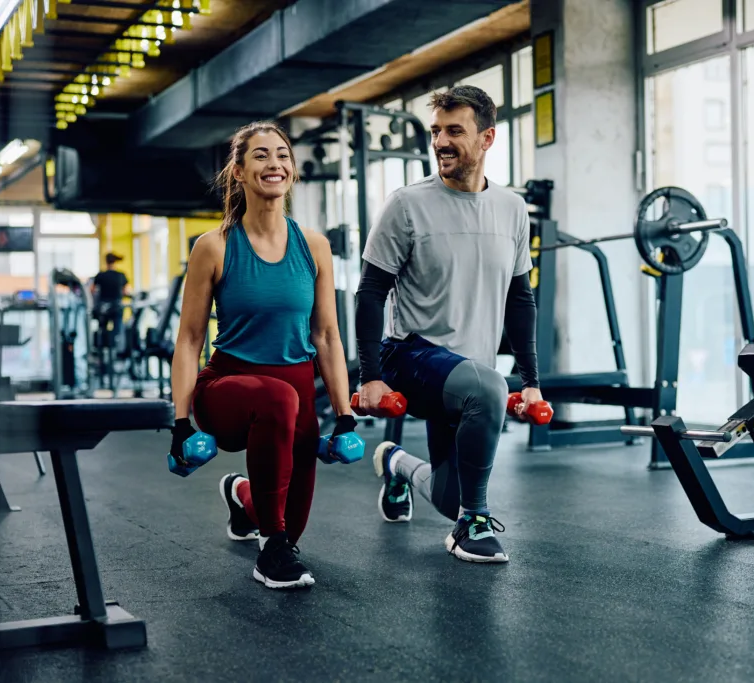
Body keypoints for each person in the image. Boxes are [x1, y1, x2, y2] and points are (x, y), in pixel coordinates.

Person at [354, 85, 541, 564]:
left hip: (467, 369)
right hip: (411, 355)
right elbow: (371, 292)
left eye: (454, 130)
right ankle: (472, 522)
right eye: (436, 131)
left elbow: (520, 300)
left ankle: (396, 465)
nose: (440, 141)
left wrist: (533, 383)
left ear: (487, 138)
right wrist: (370, 376)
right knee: (488, 388)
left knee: (444, 495)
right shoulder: (406, 205)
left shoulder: (512, 209)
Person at [169, 120, 356, 589]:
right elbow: (190, 339)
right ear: (238, 170)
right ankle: (269, 555)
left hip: (294, 393)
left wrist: (345, 414)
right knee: (279, 535)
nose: (275, 164)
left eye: (282, 155)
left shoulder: (313, 245)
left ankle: (243, 496)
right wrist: (179, 423)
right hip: (228, 388)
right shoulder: (213, 247)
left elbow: (328, 335)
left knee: (290, 523)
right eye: (261, 155)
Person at [90, 253, 130, 353]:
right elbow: (126, 291)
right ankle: (116, 353)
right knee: (117, 332)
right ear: (115, 262)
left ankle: (102, 354)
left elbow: (92, 290)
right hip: (116, 307)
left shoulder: (101, 275)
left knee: (102, 331)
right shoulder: (120, 275)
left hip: (103, 308)